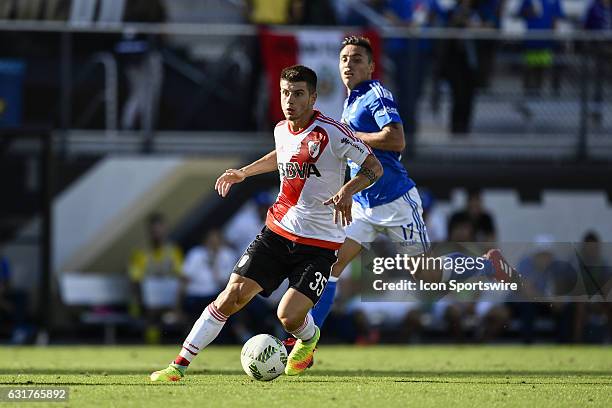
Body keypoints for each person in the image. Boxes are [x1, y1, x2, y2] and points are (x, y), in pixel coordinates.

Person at [150, 65, 383, 382]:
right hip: (277, 233)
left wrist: (346, 191)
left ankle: (309, 337)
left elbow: (373, 167)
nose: (290, 100)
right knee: (231, 296)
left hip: (320, 245)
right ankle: (177, 367)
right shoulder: (281, 129)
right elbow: (281, 154)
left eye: (299, 94)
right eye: (286, 93)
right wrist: (243, 172)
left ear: (313, 97)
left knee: (288, 317)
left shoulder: (333, 133)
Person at [307, 36, 520, 339]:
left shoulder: (377, 94)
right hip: (364, 205)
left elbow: (396, 140)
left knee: (425, 274)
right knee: (331, 265)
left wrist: (353, 138)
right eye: (344, 59)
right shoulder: (351, 101)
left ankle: (486, 265)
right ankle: (305, 343)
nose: (348, 65)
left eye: (356, 59)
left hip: (395, 201)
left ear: (371, 66)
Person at [128, 212, 183, 344]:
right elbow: (135, 279)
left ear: (165, 230)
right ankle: (152, 342)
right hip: (146, 300)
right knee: (150, 308)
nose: (157, 233)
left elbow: (180, 275)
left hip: (169, 298)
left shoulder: (173, 251)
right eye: (154, 230)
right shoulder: (141, 253)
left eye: (160, 229)